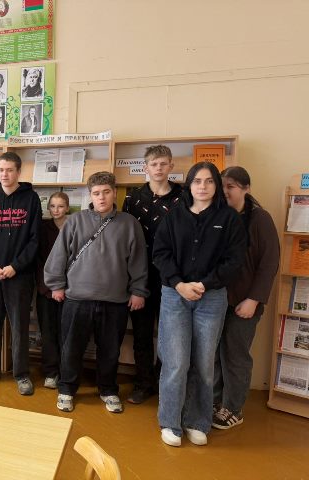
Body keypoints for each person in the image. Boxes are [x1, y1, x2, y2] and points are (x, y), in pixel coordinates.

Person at [153, 162, 247, 447]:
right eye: (197, 181)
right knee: (176, 362)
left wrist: (205, 284)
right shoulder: (174, 215)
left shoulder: (229, 219)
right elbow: (161, 253)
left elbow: (234, 261)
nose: (202, 186)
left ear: (216, 185)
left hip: (211, 298)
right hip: (175, 295)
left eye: (208, 181)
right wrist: (179, 284)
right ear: (189, 185)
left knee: (204, 364)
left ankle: (196, 421)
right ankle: (170, 422)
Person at [46, 172, 148, 413]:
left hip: (115, 300)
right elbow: (59, 255)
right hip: (77, 298)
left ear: (114, 193)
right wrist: (56, 285)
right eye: (96, 193)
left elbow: (138, 261)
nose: (101, 197)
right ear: (90, 195)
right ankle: (67, 389)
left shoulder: (129, 223)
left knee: (110, 350)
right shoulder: (75, 221)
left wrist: (139, 291)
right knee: (71, 348)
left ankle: (108, 389)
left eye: (106, 192)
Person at [212, 166, 279, 429]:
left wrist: (254, 299)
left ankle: (233, 408)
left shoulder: (260, 219)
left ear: (246, 189)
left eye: (231, 186)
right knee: (214, 353)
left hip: (245, 302)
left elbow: (269, 263)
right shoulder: (219, 214)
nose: (225, 191)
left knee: (235, 354)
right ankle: (215, 401)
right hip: (218, 300)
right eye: (222, 186)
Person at [0, 152, 41, 395]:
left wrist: (15, 266)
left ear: (19, 172)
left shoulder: (31, 199)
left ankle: (21, 374)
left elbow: (34, 239)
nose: (5, 174)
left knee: (20, 326)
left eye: (10, 170)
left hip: (19, 275)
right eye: (1, 170)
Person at [122, 145, 183, 404]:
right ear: (145, 167)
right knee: (142, 334)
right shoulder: (133, 198)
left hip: (172, 278)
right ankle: (143, 383)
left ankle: (164, 384)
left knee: (171, 337)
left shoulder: (184, 197)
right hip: (141, 277)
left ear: (171, 166)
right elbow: (124, 237)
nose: (158, 168)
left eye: (163, 163)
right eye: (154, 164)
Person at [35, 192, 69, 390]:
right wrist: (48, 287)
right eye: (53, 206)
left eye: (61, 206)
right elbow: (39, 261)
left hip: (69, 291)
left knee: (67, 333)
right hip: (46, 290)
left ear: (67, 208)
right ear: (48, 208)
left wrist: (64, 287)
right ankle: (51, 372)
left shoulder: (73, 226)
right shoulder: (42, 228)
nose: (56, 210)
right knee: (48, 332)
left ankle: (66, 372)